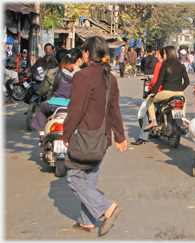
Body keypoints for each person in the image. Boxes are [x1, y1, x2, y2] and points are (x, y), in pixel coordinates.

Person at [62, 36, 127, 235]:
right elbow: (114, 110)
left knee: (74, 178)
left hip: (85, 137)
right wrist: (120, 136)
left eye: (84, 51)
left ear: (88, 53)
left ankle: (106, 207)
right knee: (89, 178)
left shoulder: (83, 75)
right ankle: (86, 221)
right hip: (102, 138)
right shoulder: (111, 77)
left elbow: (75, 110)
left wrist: (65, 135)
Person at [31, 48, 83, 142]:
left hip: (54, 105)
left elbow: (55, 87)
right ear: (79, 60)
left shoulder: (60, 72)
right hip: (73, 107)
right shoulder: (82, 74)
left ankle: (42, 134)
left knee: (40, 108)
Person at [144, 45, 190, 131]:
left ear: (169, 54)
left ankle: (153, 121)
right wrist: (179, 89)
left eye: (164, 53)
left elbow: (159, 80)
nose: (163, 55)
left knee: (149, 100)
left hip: (166, 93)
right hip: (180, 93)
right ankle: (182, 120)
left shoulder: (165, 64)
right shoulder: (181, 65)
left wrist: (153, 92)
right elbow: (187, 82)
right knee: (183, 102)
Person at [131, 46, 165, 145]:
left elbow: (155, 81)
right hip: (175, 92)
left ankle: (143, 137)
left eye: (158, 54)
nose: (157, 56)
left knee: (148, 109)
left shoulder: (159, 64)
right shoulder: (176, 65)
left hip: (155, 86)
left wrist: (152, 90)